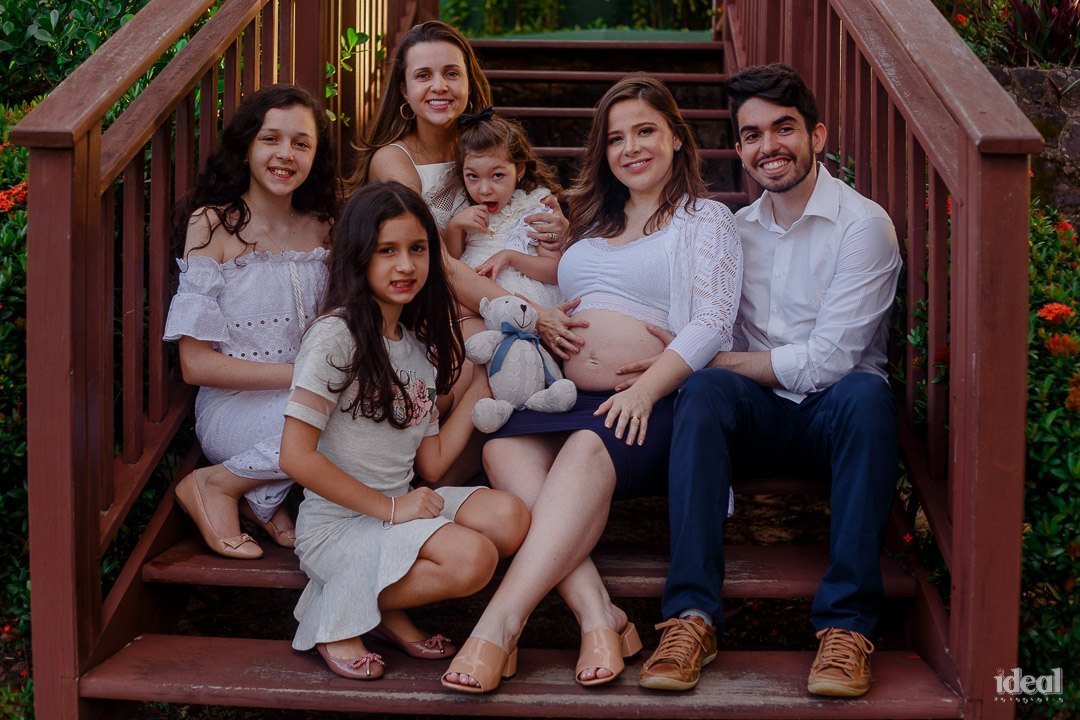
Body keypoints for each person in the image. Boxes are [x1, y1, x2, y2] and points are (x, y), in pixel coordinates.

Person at [440, 76, 742, 694]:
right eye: (615, 138)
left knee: (581, 450)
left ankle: (499, 624)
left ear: (678, 140)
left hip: (651, 401)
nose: (630, 148)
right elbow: (543, 273)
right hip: (563, 394)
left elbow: (713, 319)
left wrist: (644, 388)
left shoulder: (705, 219)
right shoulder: (586, 214)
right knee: (501, 448)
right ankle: (598, 613)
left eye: (645, 132)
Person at [638, 63, 901, 698]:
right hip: (758, 413)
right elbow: (668, 288)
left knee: (868, 395)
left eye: (784, 129)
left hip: (834, 416)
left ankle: (846, 626)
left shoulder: (864, 226)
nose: (769, 147)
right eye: (752, 135)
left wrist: (709, 359)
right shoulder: (733, 230)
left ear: (818, 135)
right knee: (700, 393)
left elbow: (830, 362)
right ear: (739, 149)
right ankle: (690, 617)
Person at [278, 181, 530, 680]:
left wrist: (481, 381)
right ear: (358, 256)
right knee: (471, 560)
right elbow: (295, 458)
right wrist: (394, 509)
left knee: (510, 517)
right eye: (386, 251)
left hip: (397, 506)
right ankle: (335, 611)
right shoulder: (337, 335)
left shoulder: (415, 349)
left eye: (417, 249)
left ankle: (379, 607)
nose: (406, 266)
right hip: (342, 524)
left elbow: (432, 463)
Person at [163, 84, 339, 559]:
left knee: (363, 401)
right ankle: (216, 485)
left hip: (309, 398)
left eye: (301, 143)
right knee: (338, 409)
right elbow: (196, 366)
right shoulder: (213, 224)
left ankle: (261, 500)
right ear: (245, 147)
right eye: (270, 139)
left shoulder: (326, 227)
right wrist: (304, 378)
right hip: (236, 410)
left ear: (315, 155)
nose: (286, 154)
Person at [347, 20, 572, 335]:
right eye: (423, 75)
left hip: (498, 292)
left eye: (451, 73)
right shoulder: (393, 160)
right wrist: (534, 315)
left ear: (469, 82)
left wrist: (558, 229)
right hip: (432, 304)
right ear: (404, 90)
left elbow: (527, 204)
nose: (439, 86)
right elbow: (440, 264)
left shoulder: (485, 149)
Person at [446, 110, 564, 308]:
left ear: (519, 169)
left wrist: (510, 257)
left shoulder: (534, 207)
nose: (484, 190)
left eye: (497, 175)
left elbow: (553, 272)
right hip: (473, 297)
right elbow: (451, 261)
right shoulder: (463, 207)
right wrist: (454, 227)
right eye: (472, 176)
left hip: (525, 297)